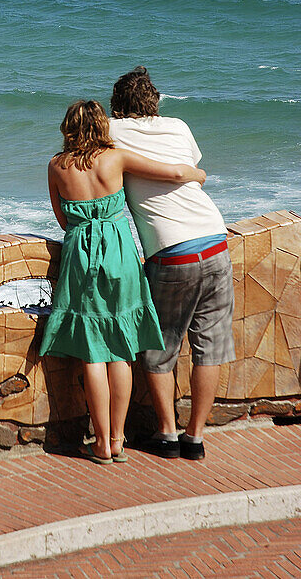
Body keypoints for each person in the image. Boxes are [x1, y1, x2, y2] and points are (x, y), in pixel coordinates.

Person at [39, 100, 206, 465]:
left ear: (68, 127)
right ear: (102, 125)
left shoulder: (56, 166)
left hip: (81, 256)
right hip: (119, 252)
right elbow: (172, 173)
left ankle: (99, 443)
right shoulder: (116, 158)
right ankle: (117, 440)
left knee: (92, 351)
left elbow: (63, 220)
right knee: (121, 348)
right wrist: (197, 176)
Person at [109, 66, 234, 461]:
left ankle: (166, 433)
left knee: (159, 347)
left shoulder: (112, 133)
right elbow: (193, 172)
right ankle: (195, 438)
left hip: (171, 251)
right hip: (215, 240)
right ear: (155, 100)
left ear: (117, 105)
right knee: (209, 346)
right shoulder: (178, 125)